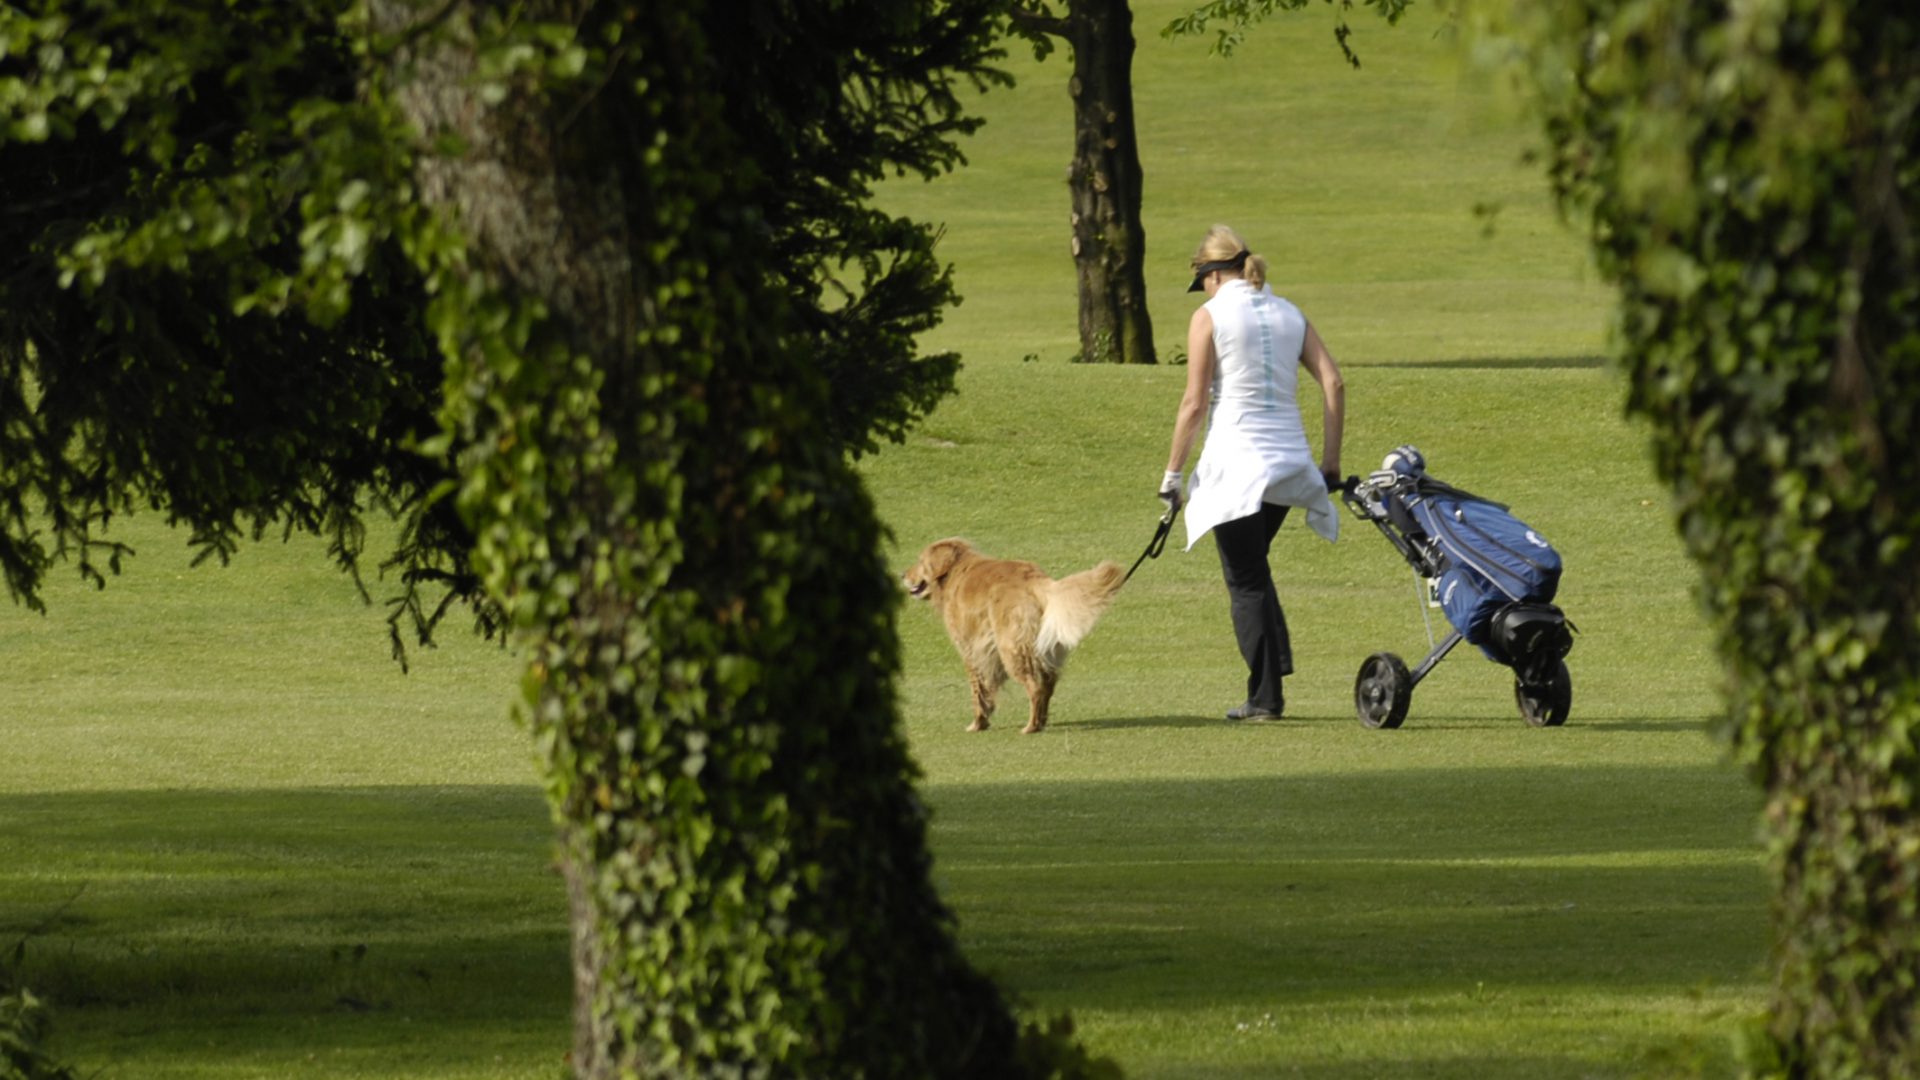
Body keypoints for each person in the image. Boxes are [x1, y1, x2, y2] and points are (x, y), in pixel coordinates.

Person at [1159, 225, 1345, 720]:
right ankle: (1273, 670)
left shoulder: (1209, 316)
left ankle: (1265, 698)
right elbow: (1333, 381)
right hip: (1289, 468)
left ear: (1213, 275)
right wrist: (1330, 464)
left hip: (1236, 466)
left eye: (1201, 282)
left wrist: (1172, 477)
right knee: (1254, 567)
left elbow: (1194, 403)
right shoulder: (1290, 312)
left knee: (1243, 579)